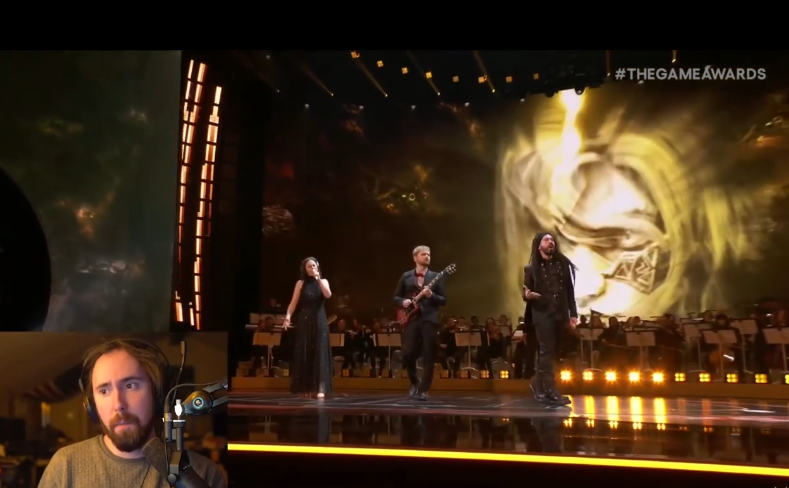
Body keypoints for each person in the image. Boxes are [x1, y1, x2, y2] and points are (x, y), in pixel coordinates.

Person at [38, 339, 225, 488]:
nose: (118, 404)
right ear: (91, 405)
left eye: (130, 385)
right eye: (104, 391)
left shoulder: (203, 474)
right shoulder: (65, 465)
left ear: (157, 393)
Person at [523, 232, 578, 406]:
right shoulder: (531, 269)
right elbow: (526, 291)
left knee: (553, 352)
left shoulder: (562, 266)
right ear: (539, 245)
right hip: (542, 314)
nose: (550, 242)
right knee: (547, 351)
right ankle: (550, 389)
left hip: (559, 314)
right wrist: (527, 296)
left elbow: (569, 291)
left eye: (552, 239)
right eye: (546, 240)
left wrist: (573, 314)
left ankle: (538, 383)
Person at [394, 245, 447, 400]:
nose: (427, 257)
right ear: (415, 258)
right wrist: (403, 302)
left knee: (429, 353)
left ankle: (424, 389)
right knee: (408, 352)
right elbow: (396, 297)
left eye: (429, 254)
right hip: (411, 318)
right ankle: (414, 381)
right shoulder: (406, 276)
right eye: (424, 254)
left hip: (429, 319)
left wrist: (431, 295)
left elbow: (443, 300)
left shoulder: (436, 276)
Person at [282, 257, 333, 399]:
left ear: (317, 266)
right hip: (304, 320)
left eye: (313, 265)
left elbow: (328, 295)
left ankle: (321, 388)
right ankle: (306, 387)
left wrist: (318, 279)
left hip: (319, 320)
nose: (312, 268)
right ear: (305, 269)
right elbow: (293, 303)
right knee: (305, 352)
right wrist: (288, 316)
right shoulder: (300, 283)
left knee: (319, 352)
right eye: (309, 266)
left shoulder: (323, 281)